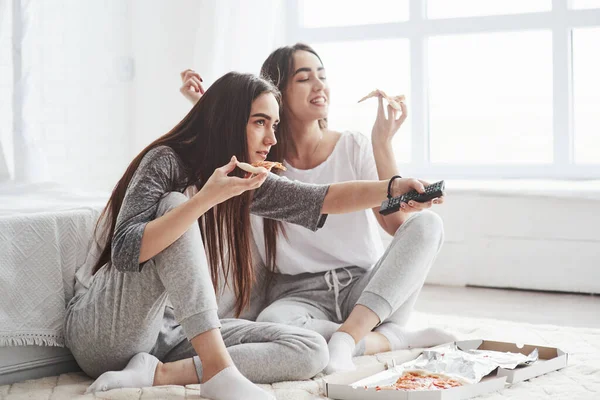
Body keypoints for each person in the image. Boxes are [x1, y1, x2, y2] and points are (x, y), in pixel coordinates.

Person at [65, 71, 431, 400]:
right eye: (260, 123)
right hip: (107, 333)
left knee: (311, 349)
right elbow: (127, 250)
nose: (272, 138)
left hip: (175, 336)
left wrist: (394, 187)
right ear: (227, 122)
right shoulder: (166, 160)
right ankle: (218, 371)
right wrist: (206, 198)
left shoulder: (245, 175)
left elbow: (322, 198)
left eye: (274, 124)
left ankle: (158, 373)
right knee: (175, 203)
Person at [180, 43, 454, 375]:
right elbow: (220, 149)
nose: (319, 85)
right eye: (304, 78)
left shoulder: (353, 146)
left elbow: (397, 225)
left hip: (366, 289)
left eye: (322, 76)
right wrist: (205, 106)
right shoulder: (259, 161)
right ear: (276, 92)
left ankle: (347, 339)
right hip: (298, 296)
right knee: (271, 325)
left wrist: (382, 143)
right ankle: (389, 338)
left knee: (427, 225)